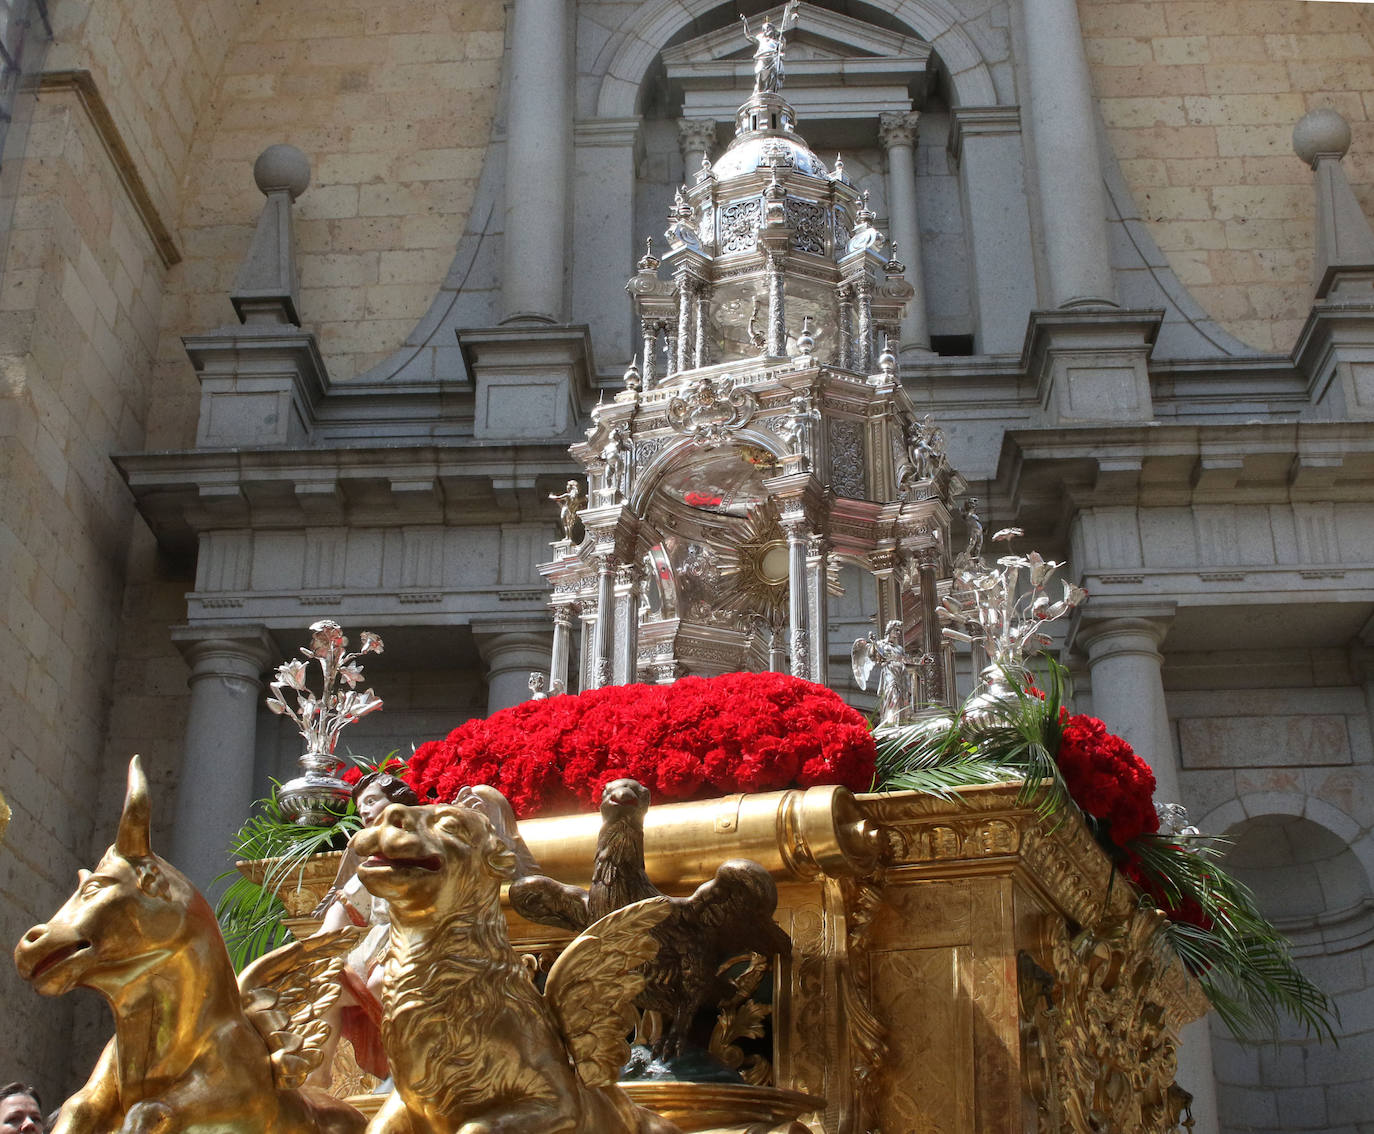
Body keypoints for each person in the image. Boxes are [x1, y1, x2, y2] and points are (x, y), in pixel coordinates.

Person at [308, 771, 421, 1087]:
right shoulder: (370, 858)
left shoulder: (423, 843)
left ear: (396, 801)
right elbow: (343, 904)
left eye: (372, 801)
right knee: (327, 990)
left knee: (382, 983)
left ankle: (414, 1067)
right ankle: (316, 1081)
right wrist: (321, 942)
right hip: (379, 941)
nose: (367, 811)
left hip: (417, 935)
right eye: (361, 809)